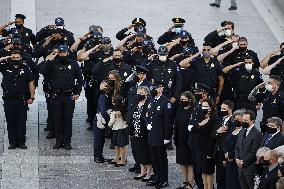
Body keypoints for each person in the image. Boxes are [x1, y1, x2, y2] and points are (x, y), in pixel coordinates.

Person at [39, 45, 83, 150]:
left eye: (64, 52)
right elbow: (42, 71)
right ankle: (58, 141)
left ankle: (67, 142)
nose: (62, 54)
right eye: (60, 52)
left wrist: (77, 93)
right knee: (57, 119)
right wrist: (51, 58)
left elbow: (80, 80)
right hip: (56, 96)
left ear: (67, 53)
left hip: (69, 96)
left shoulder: (73, 64)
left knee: (68, 119)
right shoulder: (53, 63)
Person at [0, 50, 35, 149]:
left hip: (21, 99)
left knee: (21, 121)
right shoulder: (5, 67)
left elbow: (31, 83)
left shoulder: (25, 68)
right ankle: (12, 142)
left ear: (21, 58)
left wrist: (32, 97)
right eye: (13, 57)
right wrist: (6, 57)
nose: (15, 59)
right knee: (10, 121)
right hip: (8, 99)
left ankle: (21, 141)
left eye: (17, 57)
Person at [145, 81, 173, 188]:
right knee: (154, 158)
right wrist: (147, 123)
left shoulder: (165, 102)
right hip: (152, 134)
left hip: (161, 135)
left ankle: (163, 179)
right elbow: (147, 115)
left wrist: (167, 137)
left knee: (161, 158)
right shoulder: (151, 100)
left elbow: (168, 121)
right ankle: (156, 177)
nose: (153, 89)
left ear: (161, 88)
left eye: (156, 87)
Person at [191, 98, 218, 189]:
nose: (204, 108)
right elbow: (193, 129)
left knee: (208, 172)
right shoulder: (201, 116)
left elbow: (212, 137)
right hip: (199, 147)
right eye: (203, 106)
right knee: (202, 171)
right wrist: (200, 124)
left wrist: (210, 153)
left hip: (208, 148)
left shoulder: (214, 119)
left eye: (206, 106)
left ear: (211, 107)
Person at [127, 86, 152, 182]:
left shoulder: (149, 103)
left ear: (146, 94)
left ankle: (149, 172)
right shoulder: (136, 102)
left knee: (146, 153)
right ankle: (142, 171)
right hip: (135, 131)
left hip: (144, 132)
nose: (139, 94)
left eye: (141, 93)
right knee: (138, 153)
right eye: (138, 92)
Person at [235, 110, 263, 189]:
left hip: (250, 168)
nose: (243, 122)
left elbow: (254, 152)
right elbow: (237, 147)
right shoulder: (242, 131)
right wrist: (237, 159)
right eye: (243, 120)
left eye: (246, 121)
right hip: (240, 168)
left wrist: (243, 162)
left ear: (252, 121)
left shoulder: (257, 134)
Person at [211, 100, 235, 189]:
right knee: (219, 177)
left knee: (227, 178)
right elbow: (212, 134)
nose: (222, 110)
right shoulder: (219, 119)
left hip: (227, 153)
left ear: (230, 109)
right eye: (221, 108)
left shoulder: (234, 121)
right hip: (218, 152)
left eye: (224, 109)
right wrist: (218, 131)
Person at [174, 91, 195, 189]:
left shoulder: (193, 110)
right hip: (180, 139)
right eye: (181, 99)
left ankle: (191, 183)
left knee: (190, 162)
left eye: (184, 100)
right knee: (182, 162)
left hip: (189, 140)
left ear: (190, 100)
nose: (182, 101)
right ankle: (184, 181)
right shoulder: (180, 109)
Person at [93, 80, 113, 163]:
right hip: (100, 121)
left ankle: (100, 156)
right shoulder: (103, 97)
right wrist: (110, 118)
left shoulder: (105, 96)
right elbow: (103, 111)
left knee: (101, 140)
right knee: (98, 140)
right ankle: (97, 156)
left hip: (102, 120)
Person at [223, 109, 244, 189]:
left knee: (236, 183)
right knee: (229, 182)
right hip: (229, 161)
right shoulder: (232, 129)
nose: (236, 120)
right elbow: (225, 142)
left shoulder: (244, 131)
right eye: (235, 119)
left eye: (238, 119)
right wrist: (226, 153)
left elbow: (240, 146)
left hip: (236, 161)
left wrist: (230, 154)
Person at [108, 95, 128, 167]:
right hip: (122, 128)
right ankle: (119, 158)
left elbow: (112, 121)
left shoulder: (115, 112)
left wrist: (109, 125)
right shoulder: (122, 109)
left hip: (118, 129)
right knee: (119, 145)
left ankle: (121, 159)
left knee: (119, 145)